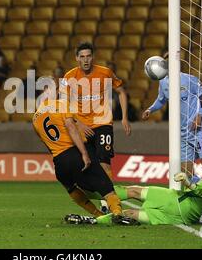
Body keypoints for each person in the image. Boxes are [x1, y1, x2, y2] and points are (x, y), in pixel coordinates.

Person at [32, 79, 136, 225]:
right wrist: (84, 154)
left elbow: (46, 143)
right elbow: (70, 126)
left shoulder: (35, 118)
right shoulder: (61, 105)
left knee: (71, 188)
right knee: (105, 184)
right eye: (56, 89)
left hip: (59, 162)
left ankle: (98, 215)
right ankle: (117, 213)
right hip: (74, 153)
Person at [65, 153, 202, 226]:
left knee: (134, 193)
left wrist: (189, 184)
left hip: (174, 201)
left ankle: (98, 194)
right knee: (129, 212)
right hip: (181, 215)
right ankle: (92, 221)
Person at [141, 53, 202, 180]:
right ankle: (201, 194)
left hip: (197, 129)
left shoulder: (189, 79)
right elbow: (161, 100)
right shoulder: (163, 82)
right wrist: (151, 109)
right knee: (186, 173)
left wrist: (200, 115)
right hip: (182, 133)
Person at [62, 42, 131, 180]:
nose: (85, 60)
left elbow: (121, 92)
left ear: (93, 57)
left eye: (88, 56)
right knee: (85, 163)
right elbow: (63, 104)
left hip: (103, 124)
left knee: (104, 162)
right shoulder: (69, 77)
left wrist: (124, 117)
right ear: (77, 58)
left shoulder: (105, 73)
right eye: (82, 57)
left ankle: (108, 199)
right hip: (82, 127)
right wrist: (78, 123)